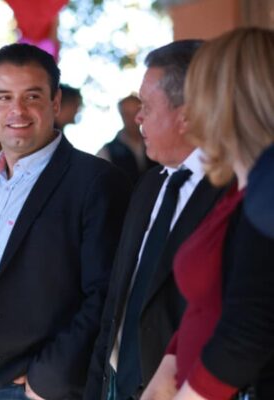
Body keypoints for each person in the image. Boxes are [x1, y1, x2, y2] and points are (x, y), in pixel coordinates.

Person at [0, 43, 131, 400]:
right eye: (4, 98)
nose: (17, 110)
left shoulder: (95, 181)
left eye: (32, 96)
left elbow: (105, 294)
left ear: (55, 102)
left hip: (36, 391)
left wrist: (49, 379)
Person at [84, 40, 226, 400]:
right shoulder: (148, 185)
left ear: (187, 114)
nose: (138, 118)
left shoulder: (233, 188)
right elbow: (118, 295)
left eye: (146, 106)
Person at [141, 27, 274, 400]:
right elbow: (210, 303)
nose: (188, 113)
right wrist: (166, 376)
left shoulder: (265, 193)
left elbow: (248, 330)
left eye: (197, 95)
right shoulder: (241, 191)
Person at [97, 95, 156, 183]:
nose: (133, 119)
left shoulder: (156, 145)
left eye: (136, 113)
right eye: (127, 114)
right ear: (121, 115)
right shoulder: (107, 152)